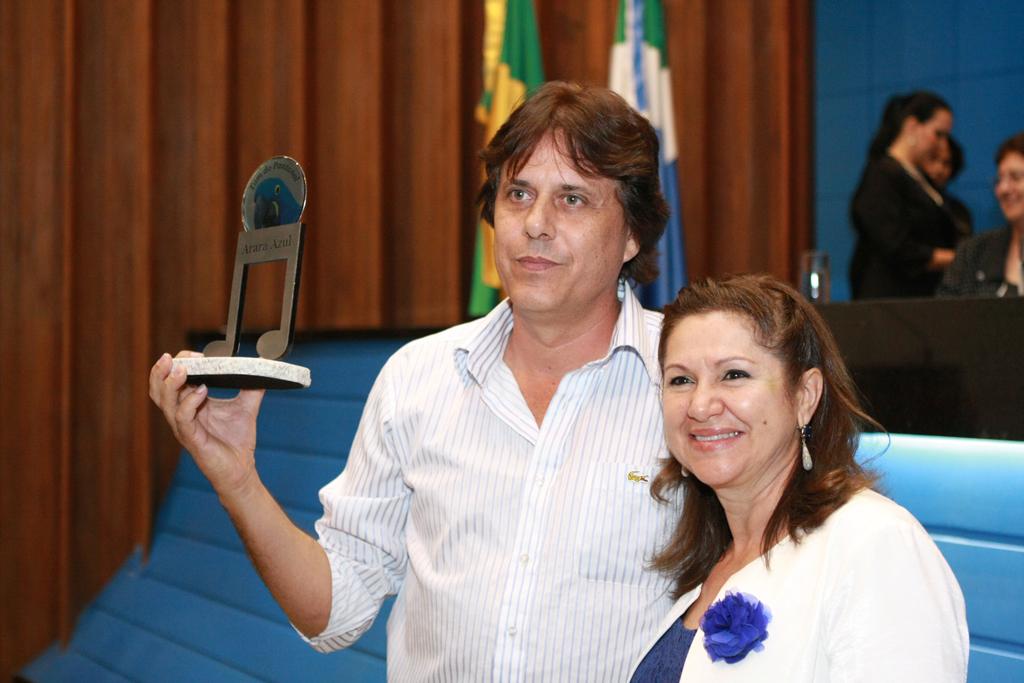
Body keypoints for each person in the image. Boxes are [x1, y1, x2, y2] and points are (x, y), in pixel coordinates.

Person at [149, 81, 682, 681]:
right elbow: (335, 612)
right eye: (519, 193)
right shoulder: (417, 378)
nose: (536, 223)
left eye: (573, 199)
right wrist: (238, 481)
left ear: (633, 233)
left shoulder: (692, 384)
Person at [629, 274, 968, 682]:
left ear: (805, 396)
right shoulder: (709, 559)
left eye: (734, 375)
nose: (700, 405)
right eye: (681, 380)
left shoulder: (875, 544)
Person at [850, 91, 960, 298]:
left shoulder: (917, 177)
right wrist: (960, 258)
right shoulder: (882, 174)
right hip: (891, 300)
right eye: (938, 134)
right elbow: (896, 246)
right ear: (912, 126)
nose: (944, 145)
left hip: (920, 296)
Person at [938, 131, 1024, 297]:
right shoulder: (973, 251)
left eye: (1015, 177)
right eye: (999, 179)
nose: (1003, 189)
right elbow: (944, 309)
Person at [922, 135, 973, 240]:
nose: (939, 169)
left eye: (946, 163)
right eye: (933, 159)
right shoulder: (904, 203)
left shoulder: (959, 211)